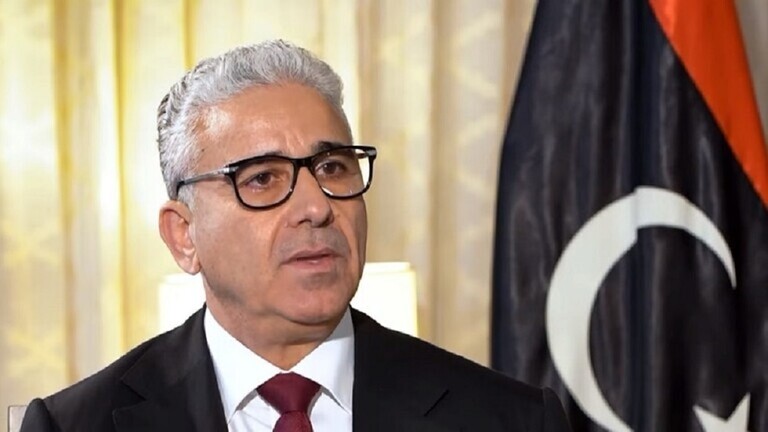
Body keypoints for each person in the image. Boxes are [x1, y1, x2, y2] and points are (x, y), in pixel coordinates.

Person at [20, 40, 571, 432]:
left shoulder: (511, 419)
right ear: (184, 235)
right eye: (262, 179)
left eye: (332, 168)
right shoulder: (75, 424)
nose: (316, 208)